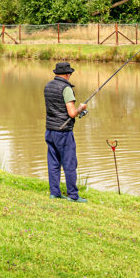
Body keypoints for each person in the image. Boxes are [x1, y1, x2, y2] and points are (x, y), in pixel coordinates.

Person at [44, 61, 88, 202]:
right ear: (68, 74)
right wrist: (81, 108)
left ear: (56, 73)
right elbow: (71, 113)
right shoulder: (66, 89)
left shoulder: (48, 86)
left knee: (53, 163)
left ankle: (55, 193)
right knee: (69, 163)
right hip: (63, 132)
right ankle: (73, 196)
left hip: (50, 130)